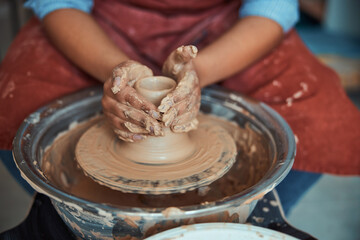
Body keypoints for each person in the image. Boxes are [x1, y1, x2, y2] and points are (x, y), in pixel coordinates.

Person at [0, 0, 359, 216]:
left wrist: (199, 72)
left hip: (226, 29)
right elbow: (60, 2)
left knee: (321, 119)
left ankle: (245, 218)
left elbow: (272, 7)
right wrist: (115, 72)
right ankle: (89, 214)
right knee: (14, 107)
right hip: (100, 23)